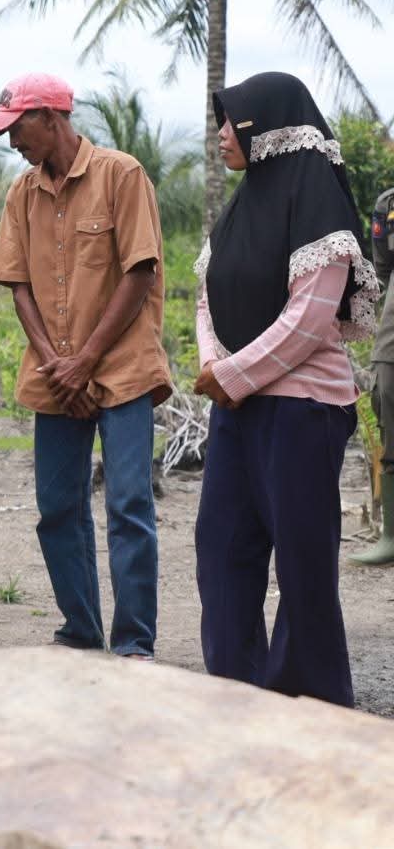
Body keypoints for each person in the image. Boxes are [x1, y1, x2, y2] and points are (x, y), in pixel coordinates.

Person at [192, 72, 377, 707]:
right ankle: (238, 692)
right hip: (235, 405)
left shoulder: (316, 199)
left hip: (302, 411)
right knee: (222, 549)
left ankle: (308, 702)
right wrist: (215, 367)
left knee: (300, 565)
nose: (220, 135)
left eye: (231, 122)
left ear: (268, 127)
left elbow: (311, 318)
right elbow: (206, 296)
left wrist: (233, 375)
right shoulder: (242, 205)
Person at [0, 73, 169, 660]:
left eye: (17, 128)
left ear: (51, 119)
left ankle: (134, 642)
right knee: (58, 508)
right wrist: (59, 364)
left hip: (123, 370)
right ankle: (80, 629)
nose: (12, 142)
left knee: (128, 505)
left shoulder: (122, 174)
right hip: (55, 374)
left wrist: (86, 360)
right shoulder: (22, 193)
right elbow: (18, 286)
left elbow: (139, 272)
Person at [360, 181, 394, 564]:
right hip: (393, 332)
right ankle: (391, 534)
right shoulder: (388, 203)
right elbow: (382, 268)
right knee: (386, 398)